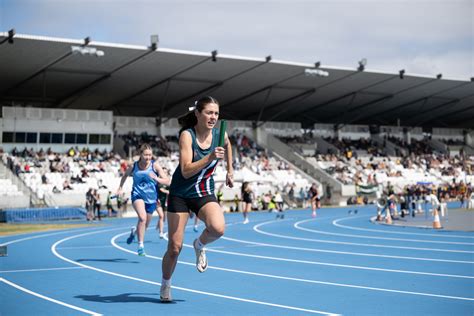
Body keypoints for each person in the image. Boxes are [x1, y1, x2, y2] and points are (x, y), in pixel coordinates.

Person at [160, 96, 233, 302]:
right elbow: (185, 171)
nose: (213, 117)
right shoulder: (187, 135)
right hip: (180, 193)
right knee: (174, 248)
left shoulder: (220, 134)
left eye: (216, 113)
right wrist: (209, 157)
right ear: (198, 114)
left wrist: (230, 170)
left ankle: (199, 245)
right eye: (209, 112)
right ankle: (166, 283)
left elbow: (228, 145)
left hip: (203, 192)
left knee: (218, 228)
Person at [117, 144, 170, 256]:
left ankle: (134, 233)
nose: (148, 157)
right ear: (140, 155)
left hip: (151, 199)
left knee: (144, 224)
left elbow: (167, 181)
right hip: (137, 195)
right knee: (142, 218)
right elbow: (125, 175)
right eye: (145, 155)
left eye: (150, 155)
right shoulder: (134, 166)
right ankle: (141, 246)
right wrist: (120, 188)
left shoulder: (155, 166)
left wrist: (156, 178)